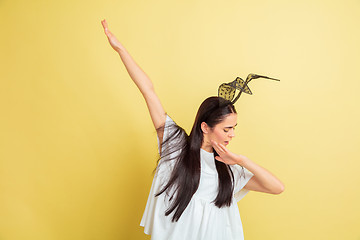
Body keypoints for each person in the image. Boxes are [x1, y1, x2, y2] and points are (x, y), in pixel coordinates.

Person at [101, 19, 285, 240]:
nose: (232, 134)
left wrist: (242, 161)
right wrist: (120, 49)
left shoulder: (228, 169)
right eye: (227, 129)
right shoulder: (176, 146)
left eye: (234, 128)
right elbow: (148, 91)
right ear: (205, 127)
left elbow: (277, 187)